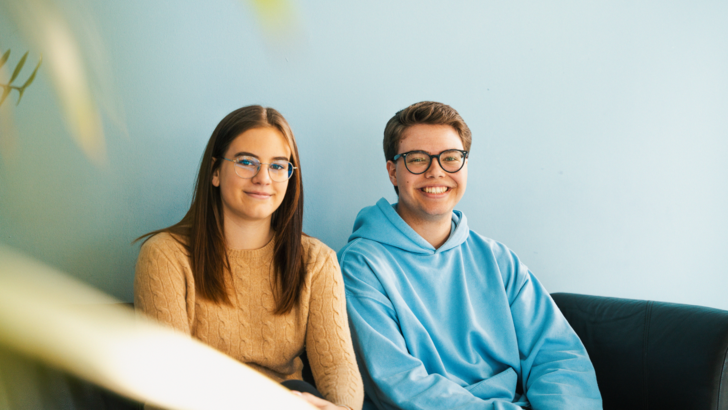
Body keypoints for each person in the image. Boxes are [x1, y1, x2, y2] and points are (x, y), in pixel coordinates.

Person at [338, 101, 602, 410]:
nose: (436, 171)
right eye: (417, 159)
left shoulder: (498, 260)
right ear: (393, 172)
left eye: (450, 158)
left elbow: (559, 357)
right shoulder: (360, 265)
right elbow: (399, 385)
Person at [134, 105, 363, 410]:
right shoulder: (165, 255)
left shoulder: (317, 261)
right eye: (246, 162)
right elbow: (171, 379)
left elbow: (338, 366)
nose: (263, 178)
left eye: (278, 166)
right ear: (215, 171)